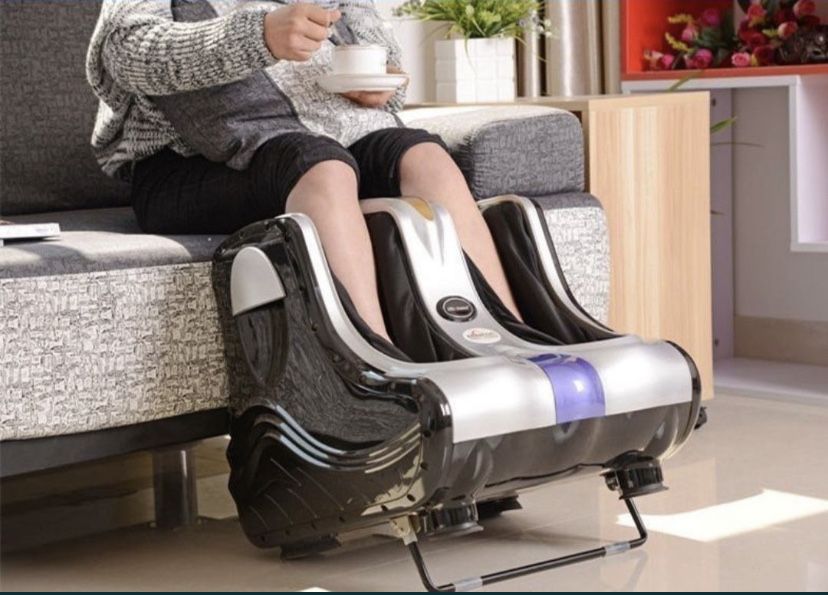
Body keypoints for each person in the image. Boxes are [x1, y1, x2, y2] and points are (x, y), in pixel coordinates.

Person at [87, 0, 521, 343]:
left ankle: (507, 339)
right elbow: (127, 52)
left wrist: (378, 80)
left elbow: (372, 41)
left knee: (423, 157)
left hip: (327, 136)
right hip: (184, 166)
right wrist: (258, 36)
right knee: (322, 168)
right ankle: (372, 366)